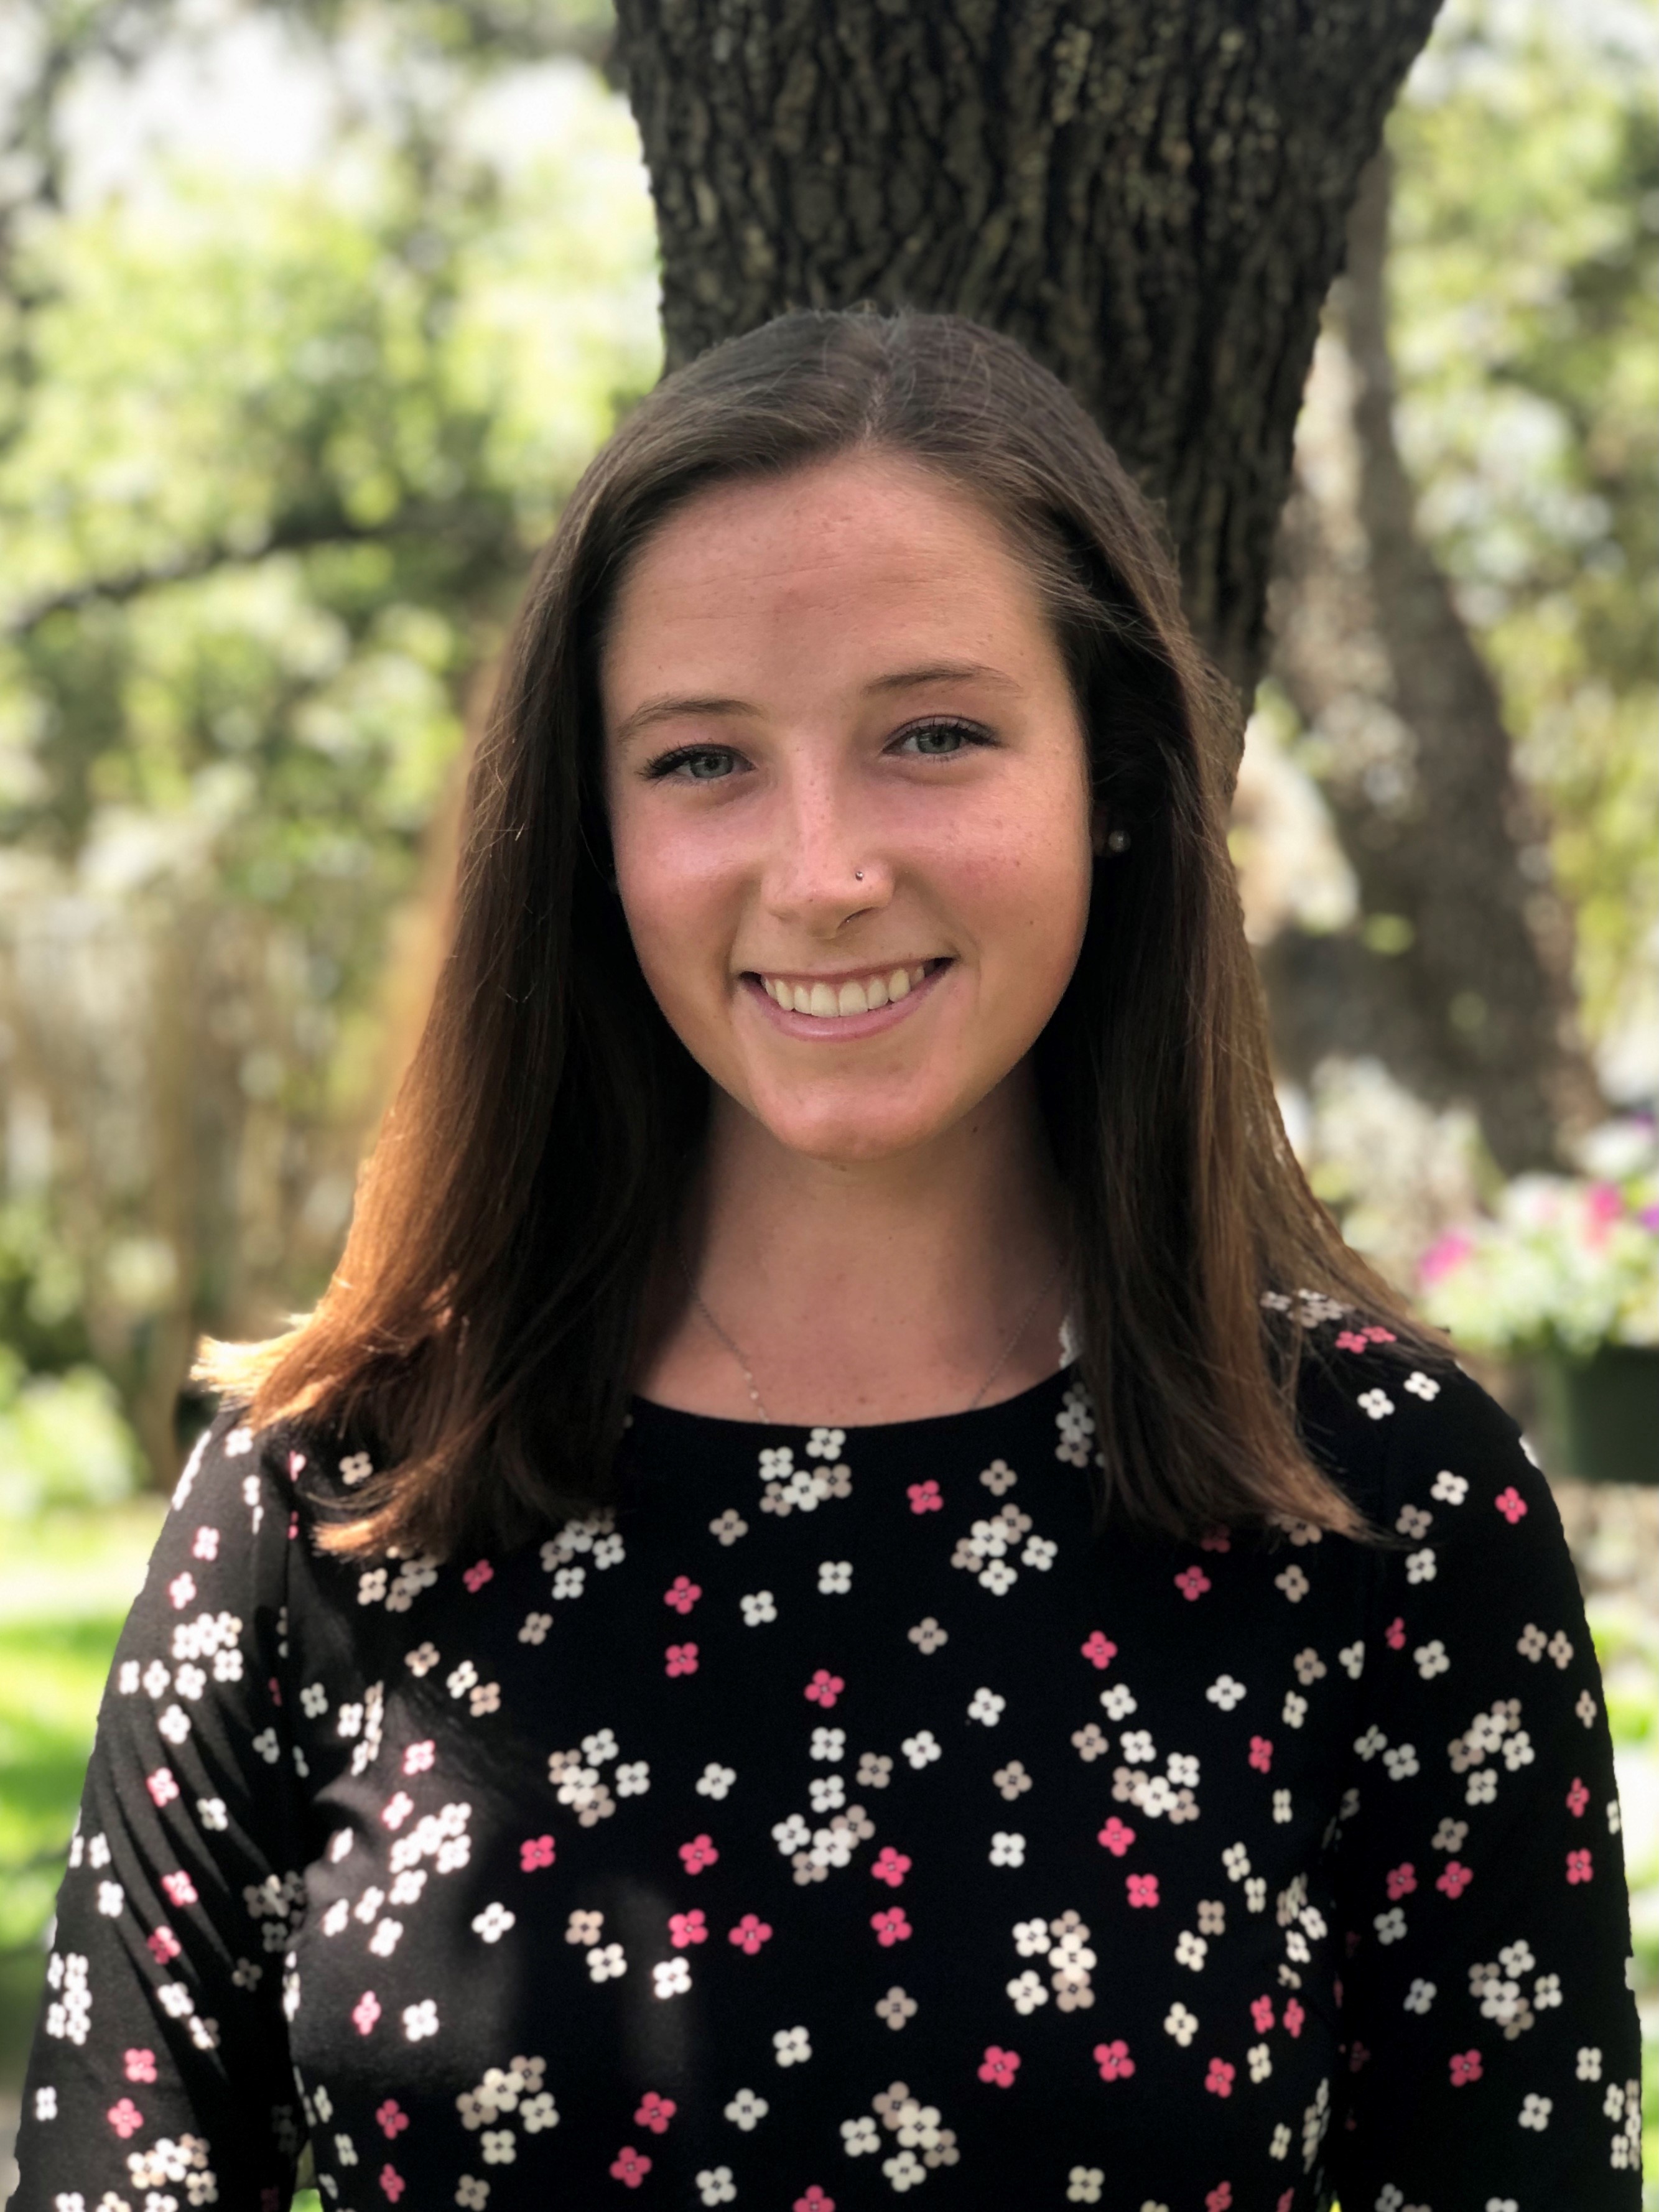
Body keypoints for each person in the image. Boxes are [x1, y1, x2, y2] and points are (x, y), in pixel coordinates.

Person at [9, 309, 1642, 2212]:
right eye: (701, 758)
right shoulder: (338, 1485)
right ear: (588, 829)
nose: (820, 871)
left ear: (1115, 778)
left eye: (931, 734)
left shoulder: (1387, 1500)